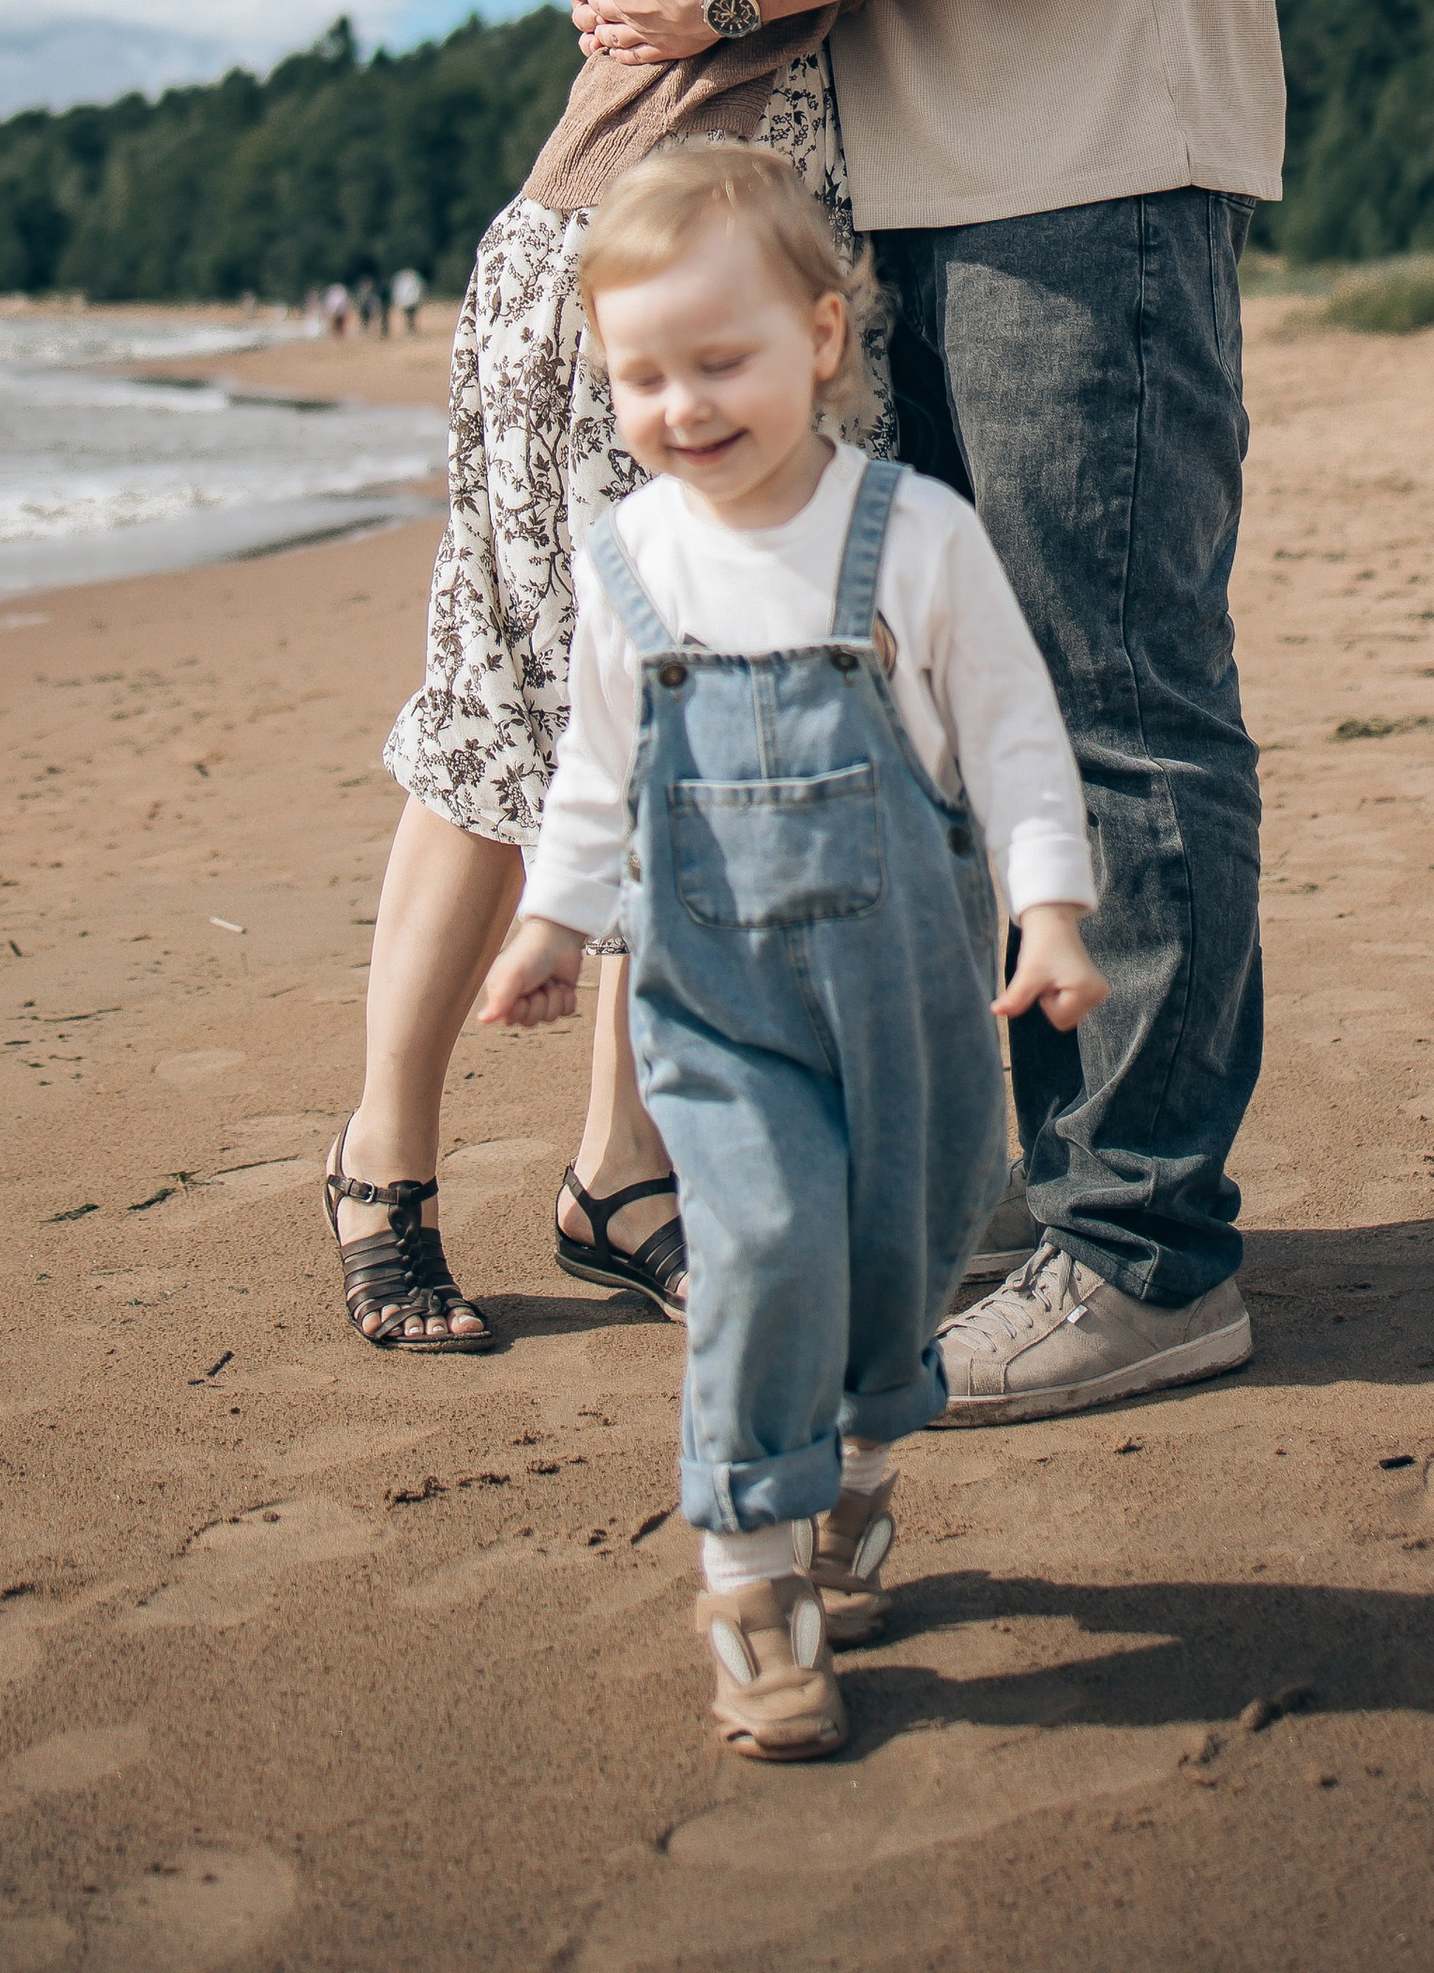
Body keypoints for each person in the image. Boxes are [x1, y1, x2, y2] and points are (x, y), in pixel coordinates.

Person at [324, 0, 1164, 1352]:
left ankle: (601, 1174)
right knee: (529, 739)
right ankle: (391, 1170)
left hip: (673, 237)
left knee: (594, 720)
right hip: (631, 255)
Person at [569, 0, 1284, 1424]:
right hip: (922, 204)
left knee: (1117, 709)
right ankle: (1047, 1192)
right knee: (977, 724)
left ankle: (1148, 1259)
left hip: (1086, 171)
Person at [478, 144, 1103, 1761]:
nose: (683, 406)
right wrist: (555, 923)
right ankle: (752, 1581)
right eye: (642, 376)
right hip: (723, 1012)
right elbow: (596, 779)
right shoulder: (634, 573)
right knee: (755, 1256)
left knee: (893, 1265)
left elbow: (1019, 739)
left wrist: (1049, 907)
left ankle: (862, 1465)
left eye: (722, 361)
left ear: (826, 337)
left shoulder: (917, 539)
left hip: (910, 1000)